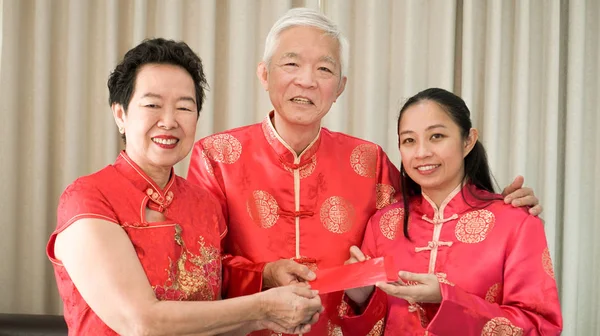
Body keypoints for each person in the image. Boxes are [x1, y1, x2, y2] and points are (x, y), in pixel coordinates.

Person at [187, 8, 542, 336]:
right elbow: (198, 268)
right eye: (291, 64)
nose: (307, 80)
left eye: (324, 69)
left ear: (340, 87)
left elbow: (432, 214)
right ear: (264, 74)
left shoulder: (369, 160)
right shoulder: (216, 156)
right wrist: (264, 274)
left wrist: (499, 207)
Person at [46, 38, 323, 336]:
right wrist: (264, 309)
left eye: (184, 107)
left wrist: (268, 276)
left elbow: (216, 299)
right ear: (120, 114)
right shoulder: (88, 198)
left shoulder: (204, 204)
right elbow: (141, 322)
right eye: (152, 105)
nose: (168, 121)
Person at [342, 88, 562, 335]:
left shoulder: (516, 222)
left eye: (436, 136)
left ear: (467, 140)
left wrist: (447, 299)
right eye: (409, 140)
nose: (422, 152)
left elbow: (540, 327)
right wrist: (362, 299)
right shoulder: (382, 224)